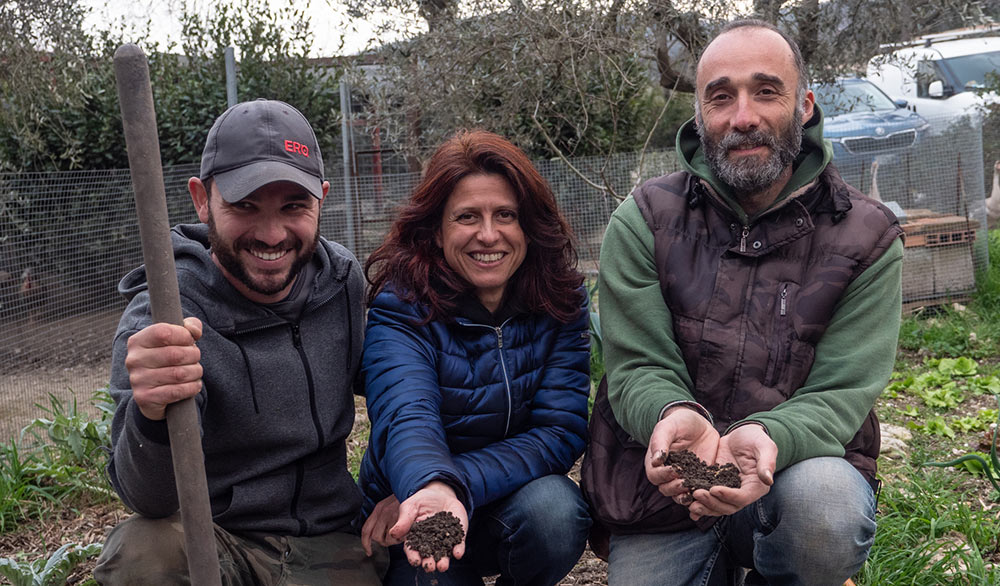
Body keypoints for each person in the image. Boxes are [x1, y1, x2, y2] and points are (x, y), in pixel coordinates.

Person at [586, 19, 904, 586]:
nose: (743, 117)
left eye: (765, 91)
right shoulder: (643, 220)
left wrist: (769, 437)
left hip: (790, 472)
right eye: (721, 96)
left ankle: (787, 568)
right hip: (666, 498)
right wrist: (671, 414)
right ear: (700, 115)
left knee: (825, 509)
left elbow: (841, 391)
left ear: (804, 105)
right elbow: (636, 365)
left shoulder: (867, 236)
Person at [94, 99, 386, 584]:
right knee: (144, 554)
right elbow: (147, 499)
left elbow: (402, 393)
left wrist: (411, 481)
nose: (271, 234)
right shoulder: (165, 315)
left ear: (322, 199)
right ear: (202, 199)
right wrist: (151, 414)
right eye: (244, 206)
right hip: (217, 541)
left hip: (329, 541)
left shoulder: (342, 283)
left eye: (293, 206)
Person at [357, 129, 592, 585]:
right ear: (436, 230)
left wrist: (454, 485)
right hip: (414, 511)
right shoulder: (402, 306)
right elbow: (408, 415)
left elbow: (559, 431)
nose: (488, 235)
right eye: (466, 216)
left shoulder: (560, 301)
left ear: (529, 224)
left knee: (556, 512)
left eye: (505, 214)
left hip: (504, 501)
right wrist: (427, 488)